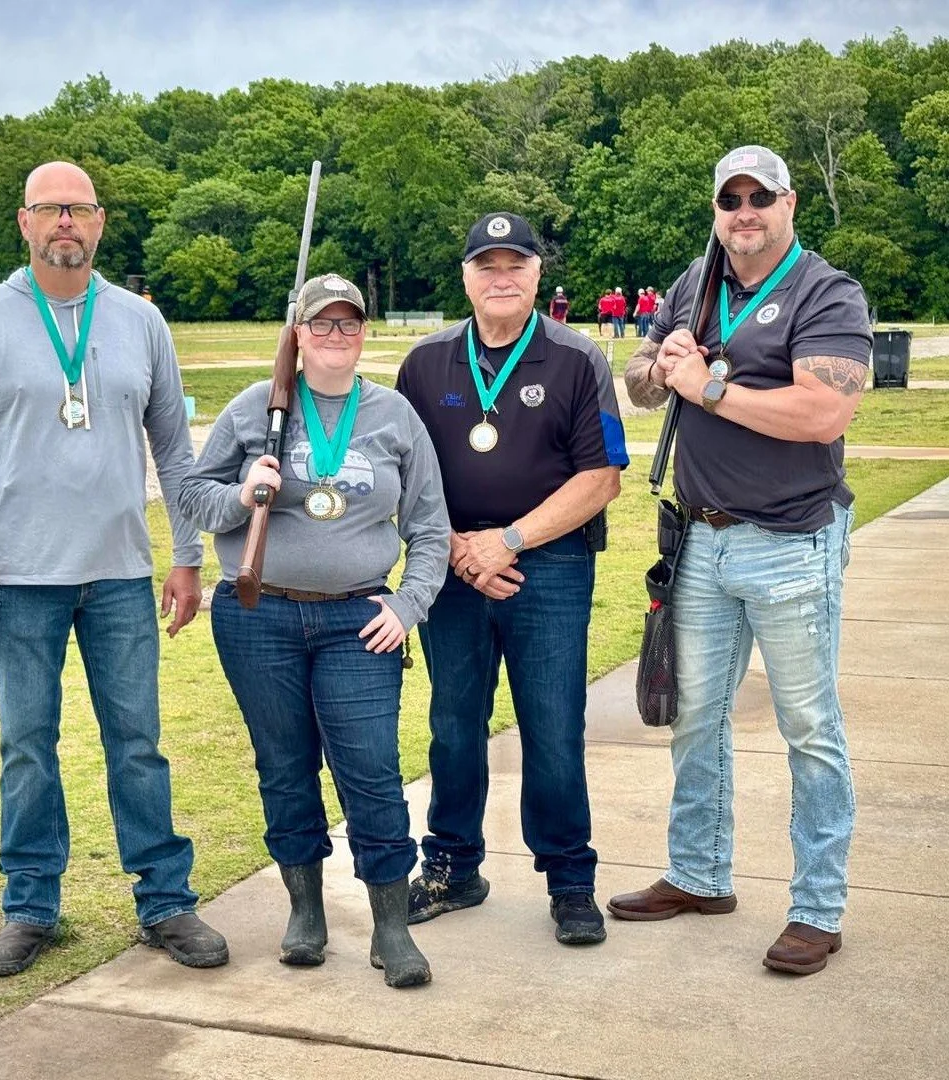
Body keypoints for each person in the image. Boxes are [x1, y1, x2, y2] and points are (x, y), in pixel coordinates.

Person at [0, 161, 228, 977]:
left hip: (122, 578)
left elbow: (173, 449)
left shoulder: (140, 322)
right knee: (28, 745)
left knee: (137, 743)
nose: (67, 221)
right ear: (24, 222)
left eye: (80, 209)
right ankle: (31, 906)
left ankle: (166, 900)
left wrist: (188, 555)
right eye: (51, 209)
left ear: (100, 222)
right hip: (18, 581)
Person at [613, 145, 872, 976]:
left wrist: (709, 388)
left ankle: (817, 908)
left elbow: (824, 412)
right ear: (716, 208)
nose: (744, 211)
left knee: (809, 729)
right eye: (731, 198)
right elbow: (640, 382)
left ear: (789, 204)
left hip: (792, 539)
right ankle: (699, 874)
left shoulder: (825, 291)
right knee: (695, 717)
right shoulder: (697, 281)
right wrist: (662, 364)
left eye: (760, 196)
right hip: (700, 536)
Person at [178, 273, 449, 988]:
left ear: (364, 333)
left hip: (358, 621)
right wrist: (243, 492)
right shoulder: (256, 408)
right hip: (257, 613)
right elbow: (193, 499)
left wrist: (407, 606)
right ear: (297, 334)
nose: (335, 336)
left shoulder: (394, 415)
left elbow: (430, 528)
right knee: (284, 766)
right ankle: (306, 911)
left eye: (348, 324)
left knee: (371, 772)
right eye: (320, 325)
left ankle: (391, 925)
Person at [396, 212, 628, 946]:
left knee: (553, 728)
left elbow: (602, 478)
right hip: (452, 564)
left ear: (537, 276)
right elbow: (403, 476)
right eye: (486, 265)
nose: (501, 277)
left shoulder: (577, 357)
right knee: (452, 726)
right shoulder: (425, 363)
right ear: (465, 276)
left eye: (515, 264)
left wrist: (510, 542)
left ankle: (570, 881)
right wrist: (462, 548)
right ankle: (453, 867)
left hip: (550, 567)